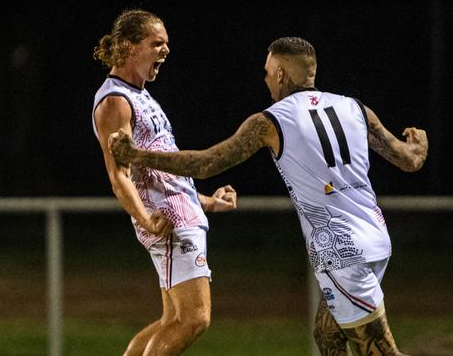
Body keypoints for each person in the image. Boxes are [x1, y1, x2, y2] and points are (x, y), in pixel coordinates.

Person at [109, 36, 428, 355]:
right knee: (328, 337)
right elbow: (410, 159)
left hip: (341, 251)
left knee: (381, 352)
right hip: (375, 237)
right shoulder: (355, 108)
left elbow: (205, 163)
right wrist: (420, 143)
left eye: (266, 72)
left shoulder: (270, 121)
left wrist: (140, 156)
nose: (265, 80)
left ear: (280, 74)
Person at [92, 9, 238, 356]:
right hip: (168, 224)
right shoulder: (116, 101)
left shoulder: (141, 96)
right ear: (128, 48)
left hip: (180, 216)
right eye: (157, 43)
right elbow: (119, 177)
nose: (166, 50)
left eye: (167, 44)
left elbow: (162, 172)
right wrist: (146, 218)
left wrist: (206, 201)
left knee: (171, 319)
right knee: (194, 319)